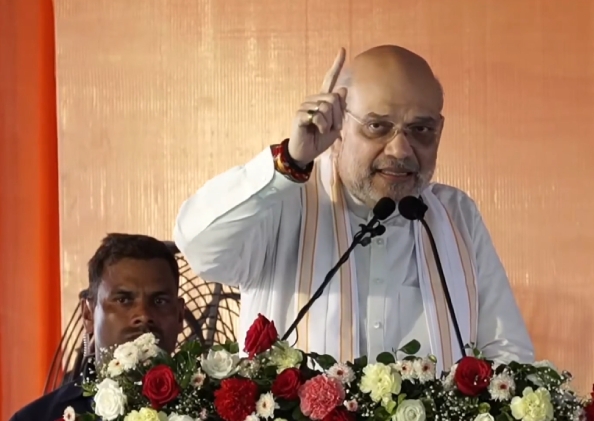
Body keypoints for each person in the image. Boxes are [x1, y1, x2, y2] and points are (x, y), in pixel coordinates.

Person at [174, 45, 534, 369]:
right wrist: (291, 161)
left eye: (421, 130)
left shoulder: (455, 215)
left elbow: (508, 354)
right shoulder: (284, 202)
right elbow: (202, 248)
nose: (400, 150)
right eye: (378, 126)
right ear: (340, 126)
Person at [10, 233, 184, 421]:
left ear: (180, 315)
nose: (144, 315)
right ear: (88, 315)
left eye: (159, 301)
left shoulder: (208, 409)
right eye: (123, 300)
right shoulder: (36, 418)